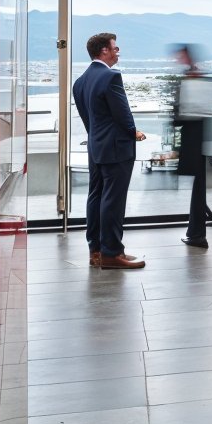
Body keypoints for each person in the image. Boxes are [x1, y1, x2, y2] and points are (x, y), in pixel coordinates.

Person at [73, 32, 146, 269]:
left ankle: (96, 250)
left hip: (96, 147)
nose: (117, 52)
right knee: (113, 200)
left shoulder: (81, 81)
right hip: (116, 149)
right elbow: (123, 116)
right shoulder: (110, 77)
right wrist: (133, 133)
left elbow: (89, 120)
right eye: (115, 48)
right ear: (104, 50)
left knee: (96, 196)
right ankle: (112, 253)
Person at [173, 44, 212, 248]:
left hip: (195, 140)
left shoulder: (192, 79)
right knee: (198, 188)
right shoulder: (198, 77)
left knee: (198, 189)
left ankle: (198, 234)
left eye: (180, 56)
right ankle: (196, 232)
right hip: (200, 140)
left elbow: (183, 114)